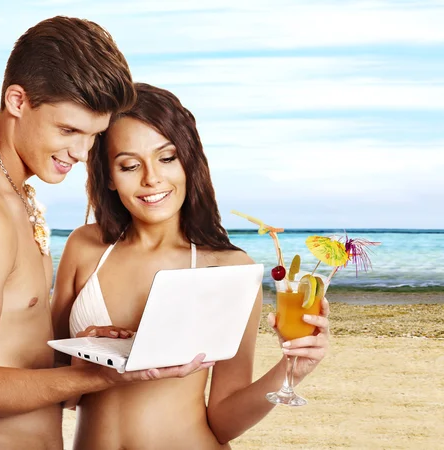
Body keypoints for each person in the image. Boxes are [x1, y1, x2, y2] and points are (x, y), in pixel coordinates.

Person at [0, 18, 212, 450]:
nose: (82, 154)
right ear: (17, 101)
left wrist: (86, 348)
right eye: (68, 130)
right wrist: (97, 375)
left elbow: (9, 344)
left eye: (93, 135)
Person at [51, 83, 331, 449]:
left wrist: (291, 369)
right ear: (108, 176)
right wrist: (86, 364)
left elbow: (223, 421)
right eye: (130, 165)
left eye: (167, 158)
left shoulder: (228, 268)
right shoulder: (84, 247)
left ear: (188, 160)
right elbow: (55, 392)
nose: (151, 178)